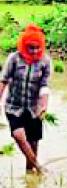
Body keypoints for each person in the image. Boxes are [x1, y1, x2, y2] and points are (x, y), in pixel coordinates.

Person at [0, 24, 51, 174]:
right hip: (13, 106)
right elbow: (3, 80)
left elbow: (44, 86)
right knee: (18, 135)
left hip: (34, 108)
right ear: (24, 46)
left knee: (33, 143)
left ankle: (30, 175)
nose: (34, 51)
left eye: (37, 47)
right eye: (30, 47)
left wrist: (43, 105)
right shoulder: (14, 59)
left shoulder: (45, 62)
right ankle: (39, 167)